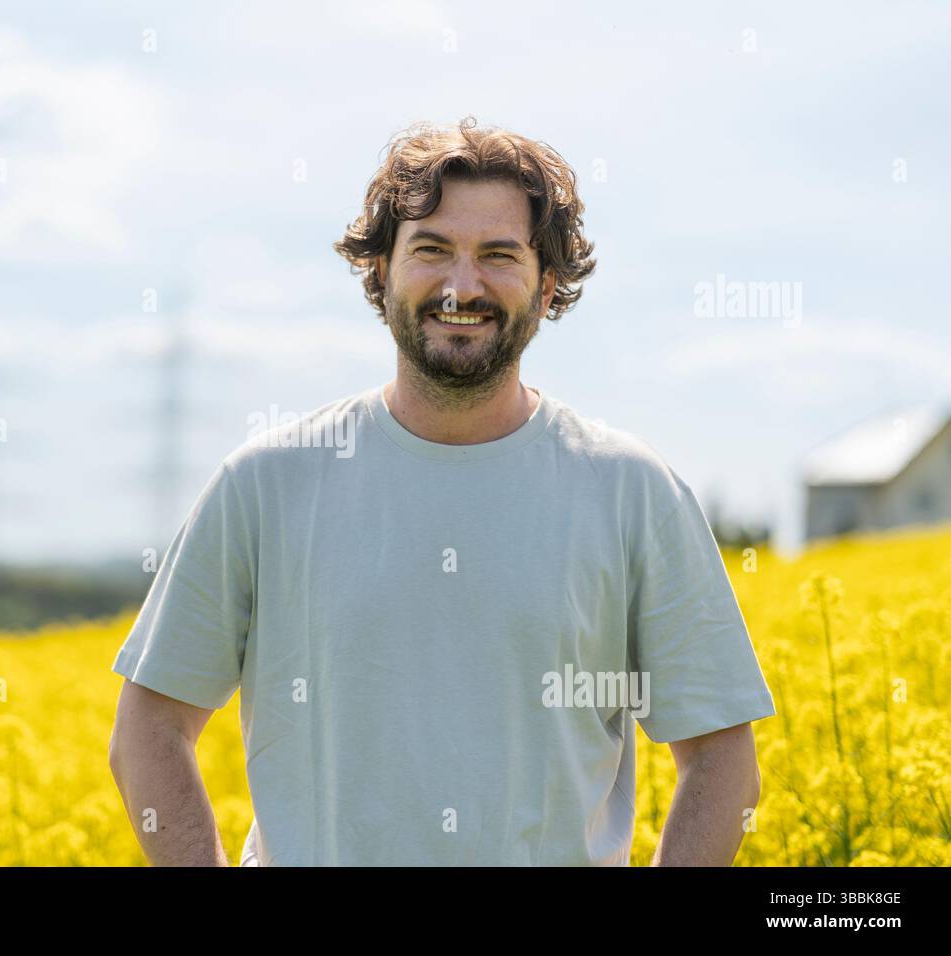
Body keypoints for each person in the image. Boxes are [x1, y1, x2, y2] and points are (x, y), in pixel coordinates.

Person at [108, 115, 776, 866]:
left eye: (499, 256)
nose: (463, 285)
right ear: (381, 273)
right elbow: (148, 731)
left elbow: (723, 761)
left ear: (547, 284)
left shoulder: (631, 490)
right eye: (431, 251)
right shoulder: (266, 483)